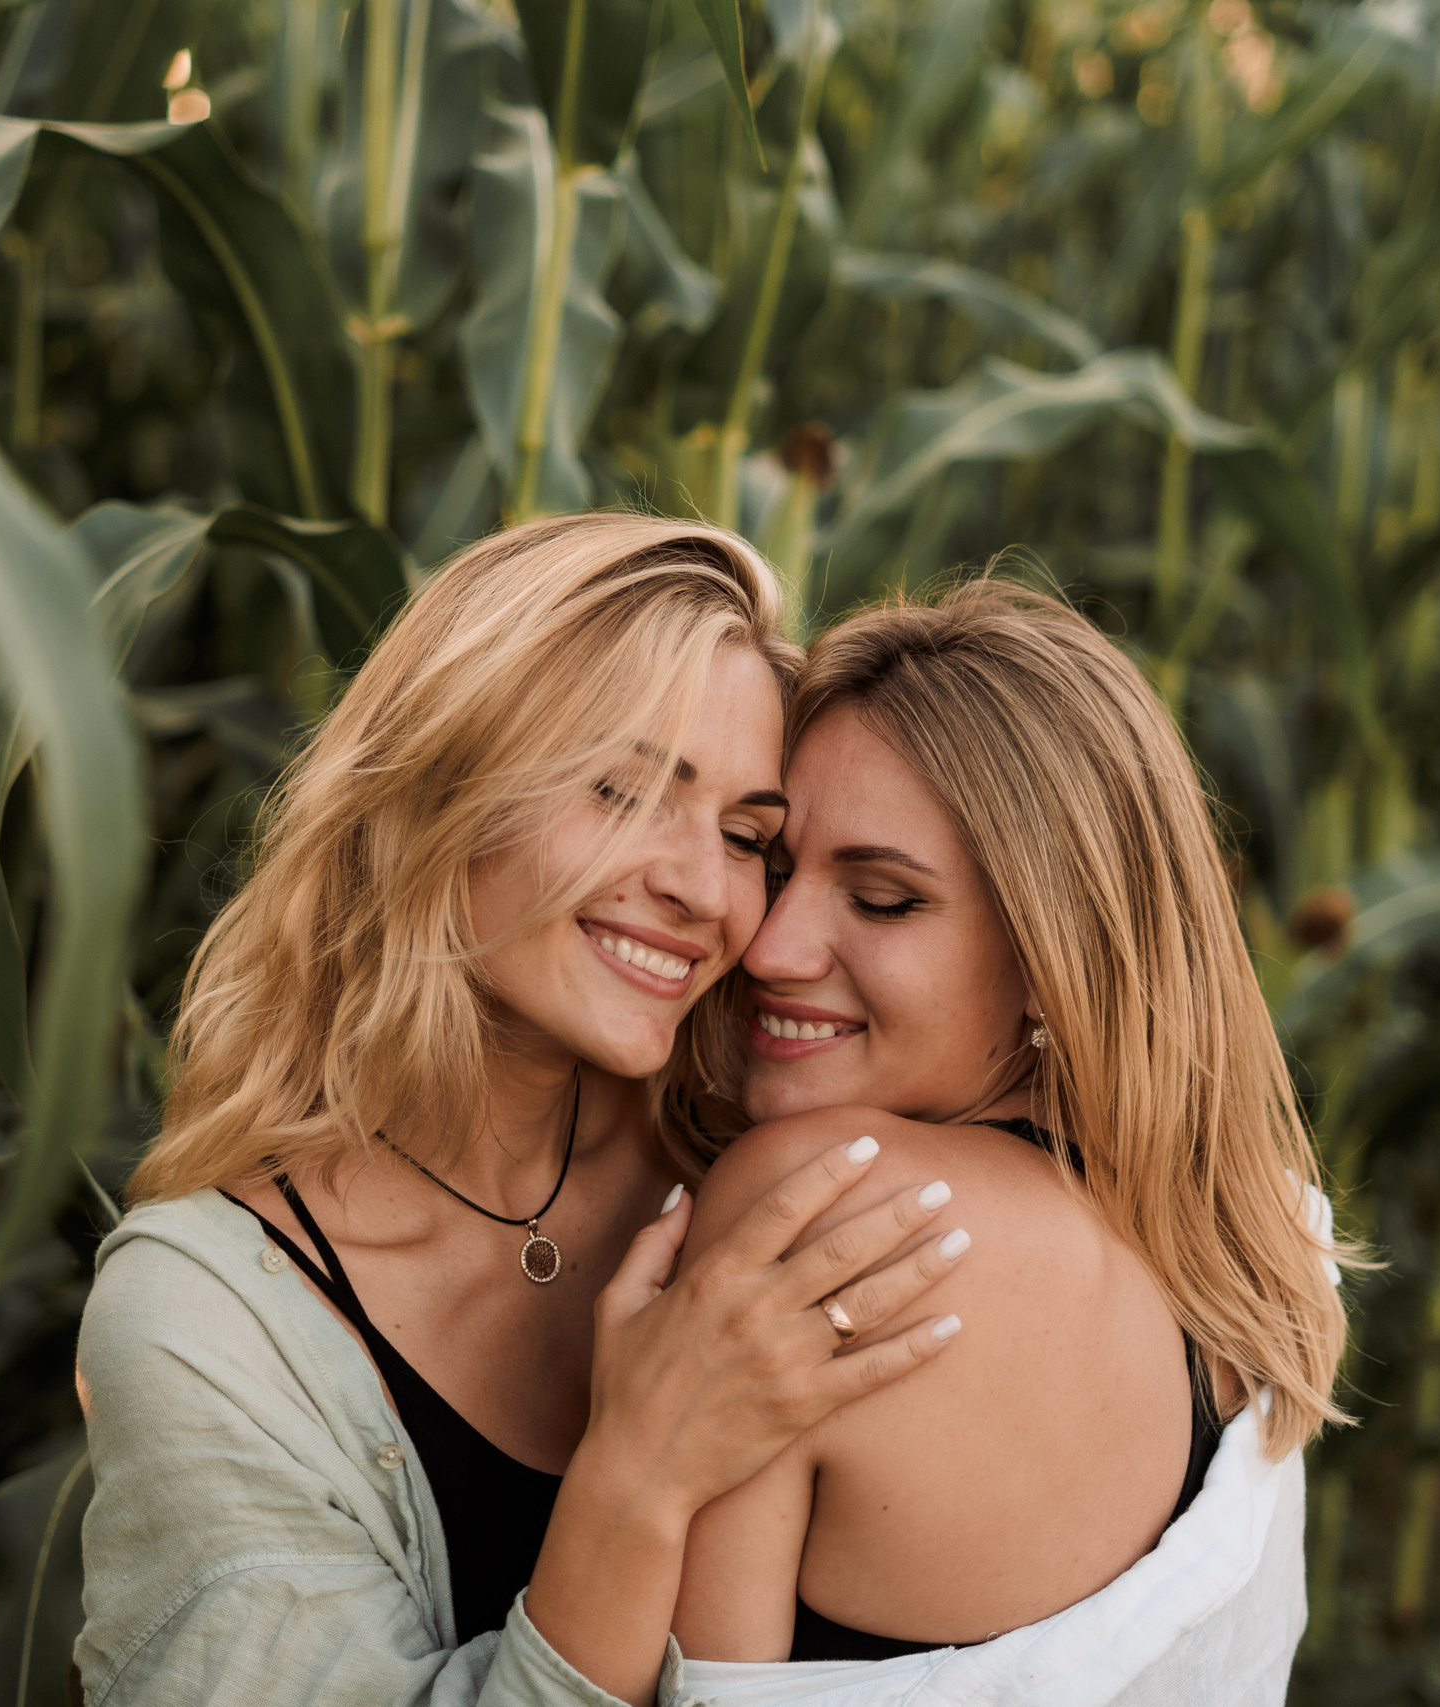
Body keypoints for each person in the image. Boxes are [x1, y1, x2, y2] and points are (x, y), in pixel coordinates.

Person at [74, 515, 975, 1707]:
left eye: (746, 835)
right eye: (621, 788)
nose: (703, 891)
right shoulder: (205, 1323)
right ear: (437, 782)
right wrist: (639, 1471)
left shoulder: (756, 1149)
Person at [670, 579, 1348, 1705]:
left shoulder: (821, 1208)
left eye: (882, 901)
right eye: (773, 865)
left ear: (1051, 952)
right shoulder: (1245, 1252)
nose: (770, 946)